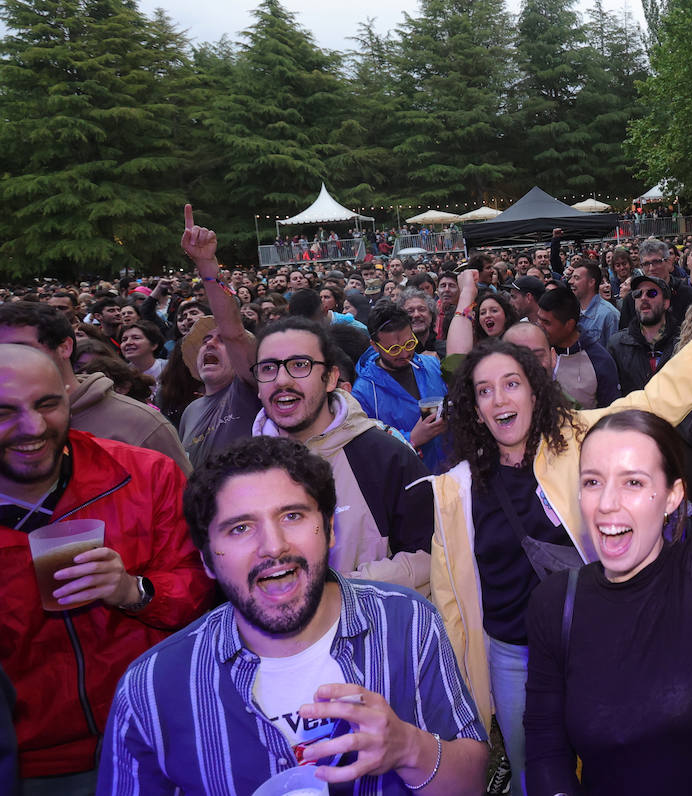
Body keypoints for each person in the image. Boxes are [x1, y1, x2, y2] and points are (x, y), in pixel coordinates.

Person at [523, 133, 692, 796]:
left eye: (633, 481)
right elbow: (548, 745)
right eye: (592, 481)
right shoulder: (558, 602)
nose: (607, 502)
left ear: (674, 496)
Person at [431, 276, 692, 791]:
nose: (499, 398)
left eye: (511, 383)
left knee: (619, 746)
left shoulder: (580, 441)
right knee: (536, 762)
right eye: (483, 390)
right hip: (513, 654)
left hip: (594, 633)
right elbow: (449, 600)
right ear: (474, 408)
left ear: (534, 390)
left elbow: (656, 401)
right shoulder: (452, 491)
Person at [98, 437, 488, 795]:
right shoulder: (150, 690)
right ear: (207, 560)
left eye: (292, 516)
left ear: (329, 529)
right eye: (240, 528)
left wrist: (408, 748)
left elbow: (469, 783)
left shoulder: (407, 624)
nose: (273, 546)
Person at [0, 345, 213, 794]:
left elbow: (205, 583)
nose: (32, 427)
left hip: (158, 732)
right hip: (31, 765)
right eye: (5, 411)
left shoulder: (143, 473)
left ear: (69, 397)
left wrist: (135, 590)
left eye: (47, 404)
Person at [250, 317, 435, 593]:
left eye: (300, 365)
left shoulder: (385, 455)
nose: (282, 380)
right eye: (268, 368)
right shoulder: (244, 470)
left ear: (331, 378)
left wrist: (340, 588)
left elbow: (431, 555)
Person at [0, 303, 193, 475]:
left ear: (64, 347)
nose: (6, 358)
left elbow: (187, 505)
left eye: (19, 348)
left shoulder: (140, 424)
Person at [178, 207, 261, 469]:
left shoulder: (250, 389)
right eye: (205, 341)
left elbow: (234, 332)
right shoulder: (190, 412)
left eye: (220, 340)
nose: (210, 344)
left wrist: (206, 265)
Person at [352, 300, 449, 473]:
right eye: (394, 349)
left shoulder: (430, 364)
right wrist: (412, 438)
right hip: (411, 481)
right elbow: (367, 451)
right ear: (375, 346)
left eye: (409, 343)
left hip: (450, 473)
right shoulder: (363, 392)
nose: (405, 354)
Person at [536, 287, 619, 409]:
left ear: (569, 325)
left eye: (546, 322)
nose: (539, 326)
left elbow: (610, 413)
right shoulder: (533, 349)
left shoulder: (599, 361)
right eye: (538, 319)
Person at [607, 275, 681, 395]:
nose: (643, 298)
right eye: (638, 294)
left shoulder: (683, 343)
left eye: (651, 293)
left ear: (666, 303)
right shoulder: (617, 345)